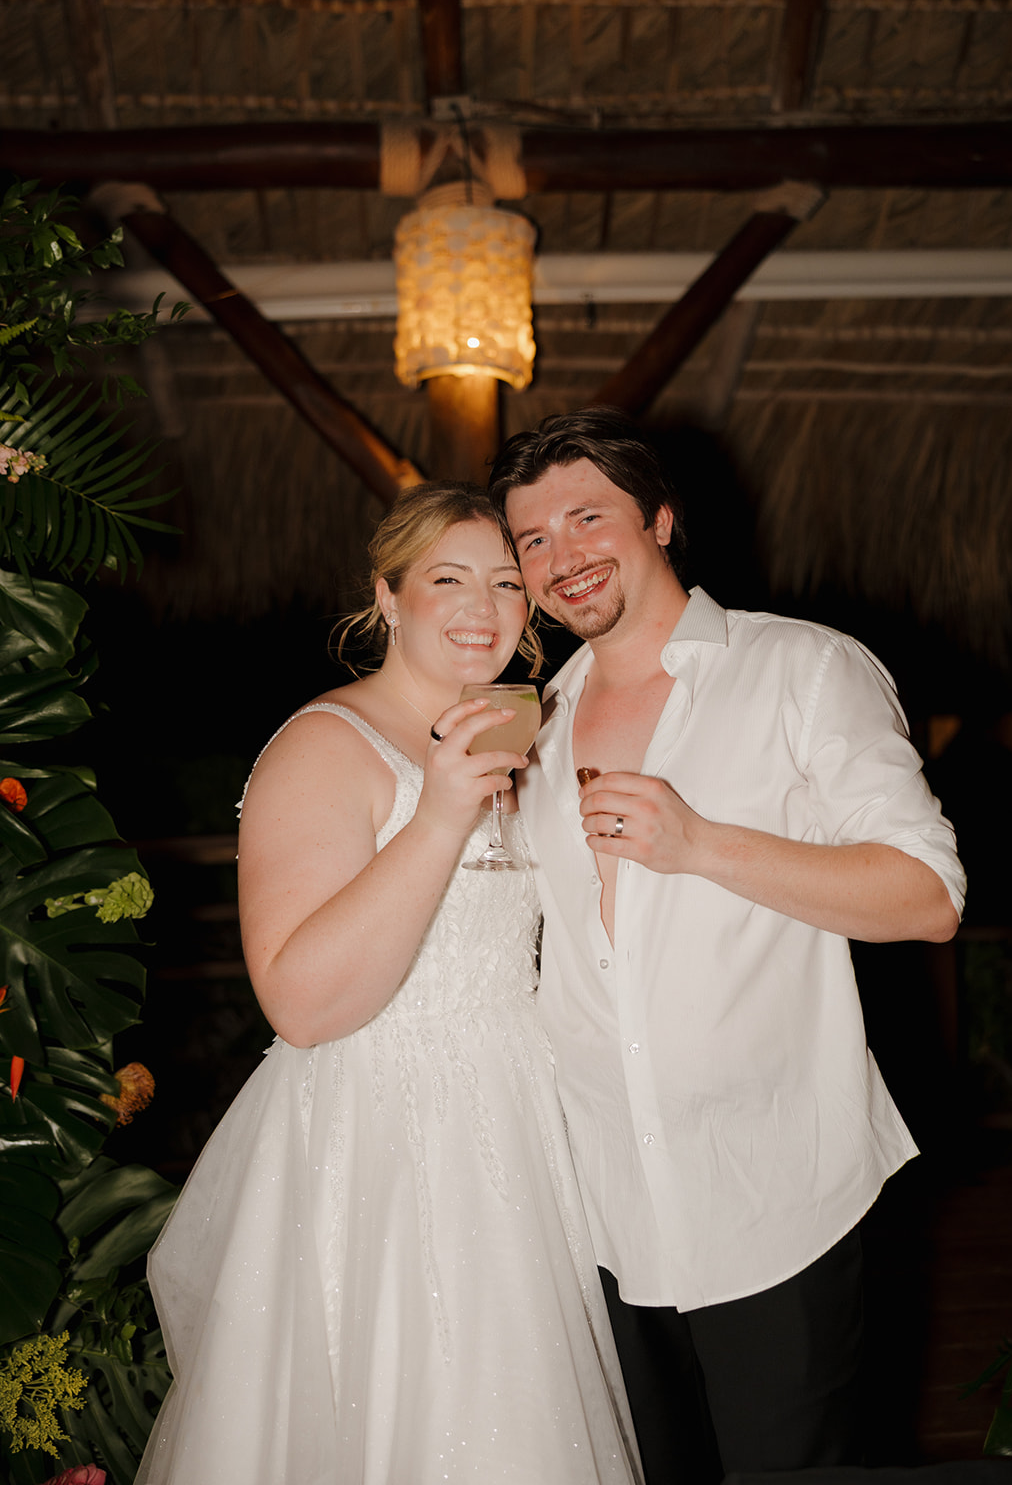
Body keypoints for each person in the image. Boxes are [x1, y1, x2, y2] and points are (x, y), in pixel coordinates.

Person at [488, 411, 967, 1485]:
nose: (560, 556)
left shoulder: (801, 668)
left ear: (659, 518)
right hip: (600, 1210)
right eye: (530, 539)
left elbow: (926, 895)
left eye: (585, 517)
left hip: (772, 1196)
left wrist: (702, 844)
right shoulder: (534, 723)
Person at [134, 482, 642, 1485]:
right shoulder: (325, 744)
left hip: (517, 1135)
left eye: (505, 582)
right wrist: (440, 815)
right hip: (375, 1148)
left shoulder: (513, 737)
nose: (482, 606)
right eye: (447, 578)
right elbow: (299, 1002)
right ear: (387, 596)